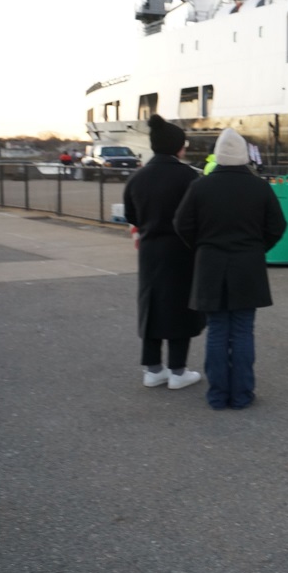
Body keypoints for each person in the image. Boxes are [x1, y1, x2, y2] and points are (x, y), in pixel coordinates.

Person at [174, 128, 286, 409]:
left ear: (219, 155)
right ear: (244, 156)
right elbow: (277, 226)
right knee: (242, 330)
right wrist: (258, 248)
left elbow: (181, 224)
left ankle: (217, 394)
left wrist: (202, 246)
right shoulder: (259, 187)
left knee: (217, 330)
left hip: (210, 266)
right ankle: (241, 394)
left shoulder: (200, 186)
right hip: (248, 267)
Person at [123, 114, 205, 390]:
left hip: (149, 250)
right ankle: (178, 371)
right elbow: (198, 216)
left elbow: (131, 215)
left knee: (153, 306)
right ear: (177, 147)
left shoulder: (137, 178)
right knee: (181, 308)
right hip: (182, 251)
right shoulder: (189, 177)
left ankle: (153, 368)